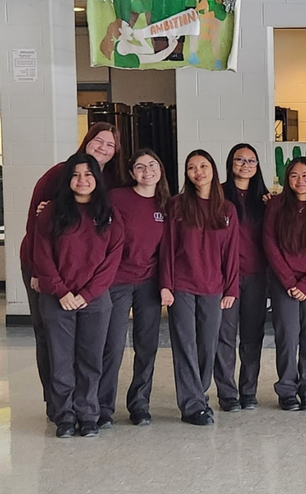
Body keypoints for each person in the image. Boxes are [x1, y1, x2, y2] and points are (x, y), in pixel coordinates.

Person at [21, 122, 124, 421]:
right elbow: (34, 227)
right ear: (87, 141)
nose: (103, 148)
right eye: (98, 141)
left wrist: (89, 292)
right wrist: (42, 276)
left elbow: (112, 248)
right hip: (48, 273)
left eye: (110, 145)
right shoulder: (58, 175)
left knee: (91, 352)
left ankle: (90, 409)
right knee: (51, 342)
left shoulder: (112, 184)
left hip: (90, 286)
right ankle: (58, 408)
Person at [159, 149, 239, 426]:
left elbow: (231, 252)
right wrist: (166, 285)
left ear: (213, 170)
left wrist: (231, 289)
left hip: (213, 287)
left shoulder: (226, 209)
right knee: (185, 344)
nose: (198, 172)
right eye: (192, 168)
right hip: (181, 286)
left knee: (208, 344)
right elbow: (167, 247)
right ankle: (192, 404)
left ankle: (199, 391)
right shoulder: (177, 205)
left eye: (203, 166)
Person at [99, 149, 170, 429]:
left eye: (152, 165)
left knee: (146, 346)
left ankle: (139, 404)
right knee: (112, 346)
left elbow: (169, 250)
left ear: (160, 169)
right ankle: (103, 406)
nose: (146, 171)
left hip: (149, 283)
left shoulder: (168, 204)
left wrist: (166, 284)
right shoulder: (116, 197)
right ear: (131, 174)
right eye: (139, 167)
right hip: (116, 281)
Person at [264, 157, 306, 413]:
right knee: (287, 337)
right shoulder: (276, 207)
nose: (300, 180)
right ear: (287, 179)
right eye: (294, 175)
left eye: (305, 175)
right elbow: (270, 244)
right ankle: (286, 390)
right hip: (285, 283)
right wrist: (289, 281)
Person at [213, 144, 270, 413]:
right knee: (224, 336)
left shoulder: (266, 200)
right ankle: (227, 393)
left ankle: (248, 391)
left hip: (256, 276)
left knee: (252, 336)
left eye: (251, 161)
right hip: (225, 278)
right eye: (239, 160)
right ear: (230, 162)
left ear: (257, 166)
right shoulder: (217, 195)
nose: (245, 165)